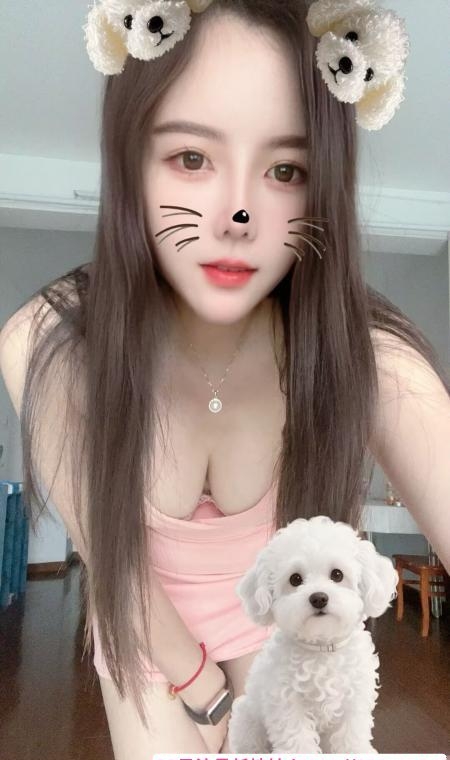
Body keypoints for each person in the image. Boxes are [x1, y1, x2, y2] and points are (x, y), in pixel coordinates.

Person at [0, 1, 449, 758]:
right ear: (131, 159)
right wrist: (206, 693)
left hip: (286, 633)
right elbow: (114, 565)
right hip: (148, 635)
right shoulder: (49, 342)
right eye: (191, 158)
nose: (238, 214)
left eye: (285, 170)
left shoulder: (366, 355)